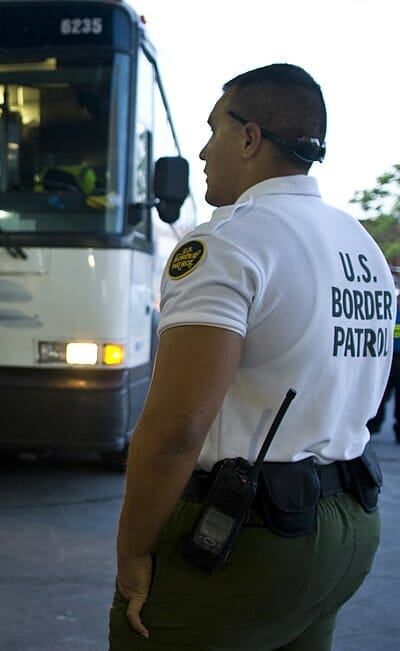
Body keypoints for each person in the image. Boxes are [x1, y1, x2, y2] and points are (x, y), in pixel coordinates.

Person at [109, 63, 388, 649]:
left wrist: (133, 550)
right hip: (349, 525)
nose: (205, 151)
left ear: (250, 137)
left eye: (213, 131)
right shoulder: (357, 242)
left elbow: (178, 430)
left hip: (250, 535)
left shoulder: (226, 241)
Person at [368, 279, 400, 442]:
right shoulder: (392, 311)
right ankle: (372, 425)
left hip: (396, 358)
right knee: (380, 394)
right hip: (389, 356)